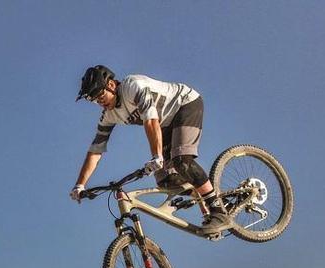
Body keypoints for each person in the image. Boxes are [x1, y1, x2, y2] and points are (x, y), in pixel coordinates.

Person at [70, 65, 231, 233]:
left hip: (185, 104)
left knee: (182, 161)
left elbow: (151, 120)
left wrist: (157, 156)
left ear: (111, 85)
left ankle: (218, 211)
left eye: (100, 96)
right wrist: (80, 185)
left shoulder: (133, 86)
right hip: (166, 124)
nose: (99, 102)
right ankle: (205, 192)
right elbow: (96, 150)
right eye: (95, 100)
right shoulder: (108, 115)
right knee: (166, 181)